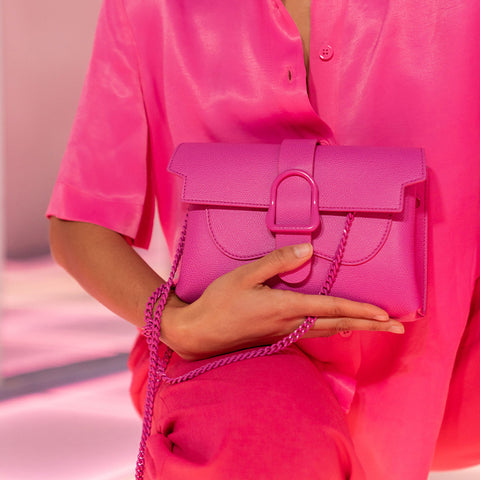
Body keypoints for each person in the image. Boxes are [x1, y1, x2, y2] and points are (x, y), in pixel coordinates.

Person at [47, 1, 480, 479]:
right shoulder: (149, 8)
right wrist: (176, 324)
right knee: (253, 434)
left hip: (452, 354)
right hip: (233, 358)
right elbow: (80, 219)